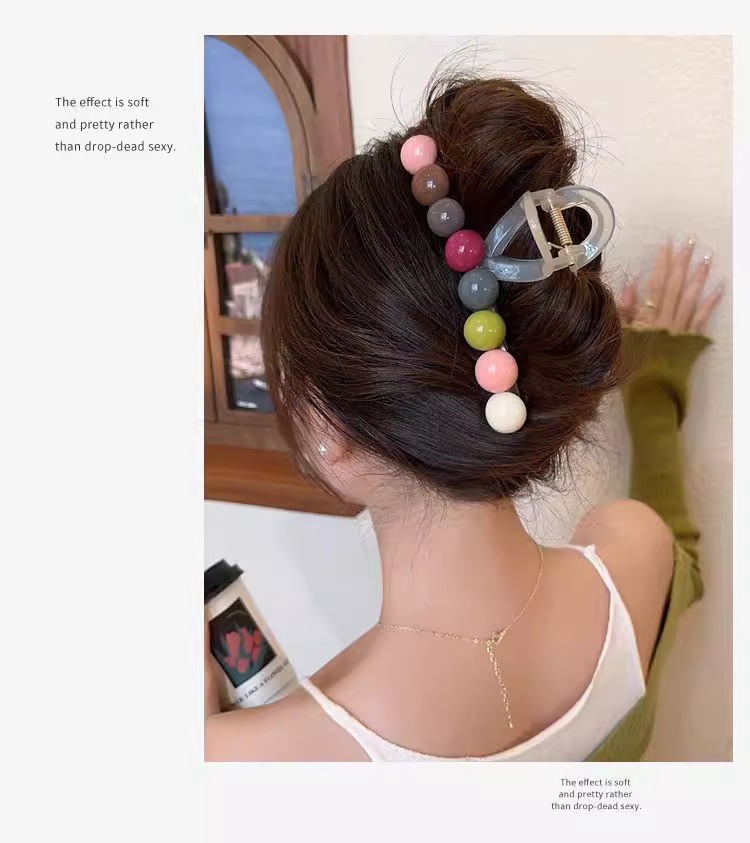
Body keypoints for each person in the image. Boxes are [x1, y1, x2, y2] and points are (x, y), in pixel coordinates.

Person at [204, 73, 723, 762]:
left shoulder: (247, 759)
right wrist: (655, 376)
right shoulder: (636, 558)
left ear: (327, 430)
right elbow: (682, 552)